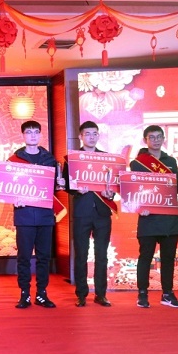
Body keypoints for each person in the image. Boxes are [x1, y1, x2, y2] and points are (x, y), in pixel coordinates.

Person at [10, 120, 64, 309]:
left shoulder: (50, 159)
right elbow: (8, 187)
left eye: (36, 132)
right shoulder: (14, 160)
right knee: (24, 257)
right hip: (24, 214)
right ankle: (24, 293)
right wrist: (14, 198)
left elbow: (54, 187)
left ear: (40, 134)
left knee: (43, 257)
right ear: (23, 135)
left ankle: (42, 293)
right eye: (29, 132)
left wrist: (60, 185)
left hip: (45, 215)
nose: (32, 135)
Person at [130, 125, 178, 308]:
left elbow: (176, 187)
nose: (156, 140)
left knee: (168, 258)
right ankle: (142, 294)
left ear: (163, 139)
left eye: (159, 137)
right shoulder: (138, 163)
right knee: (145, 257)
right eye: (152, 137)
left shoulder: (171, 161)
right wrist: (139, 207)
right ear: (145, 140)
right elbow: (133, 190)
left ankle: (167, 294)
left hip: (169, 217)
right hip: (149, 217)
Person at [63, 121, 116, 307]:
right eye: (88, 134)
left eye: (95, 134)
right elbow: (66, 184)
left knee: (102, 255)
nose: (91, 137)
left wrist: (111, 193)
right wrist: (76, 190)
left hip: (102, 212)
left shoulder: (107, 159)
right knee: (81, 255)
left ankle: (101, 294)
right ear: (81, 136)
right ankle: (81, 294)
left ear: (98, 136)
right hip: (82, 212)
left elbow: (113, 185)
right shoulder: (73, 159)